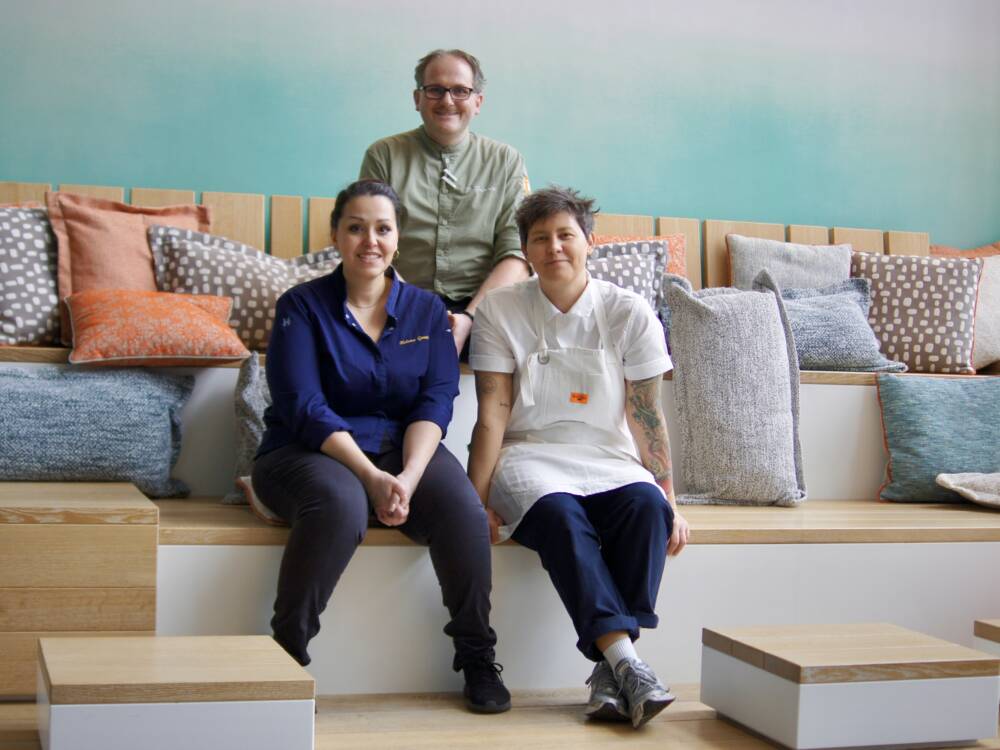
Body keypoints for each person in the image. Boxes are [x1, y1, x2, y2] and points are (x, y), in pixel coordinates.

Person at [251, 178, 510, 714]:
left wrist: (409, 477)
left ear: (397, 239)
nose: (370, 240)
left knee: (463, 509)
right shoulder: (301, 306)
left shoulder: (427, 310)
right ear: (335, 235)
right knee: (340, 504)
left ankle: (478, 659)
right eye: (356, 227)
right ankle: (285, 662)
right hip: (306, 450)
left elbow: (436, 400)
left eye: (383, 229)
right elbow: (303, 405)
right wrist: (371, 479)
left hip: (400, 447)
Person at [467, 187, 690, 729]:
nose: (554, 248)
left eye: (565, 235)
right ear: (525, 250)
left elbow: (645, 414)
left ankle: (613, 672)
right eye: (539, 238)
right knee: (562, 516)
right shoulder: (500, 309)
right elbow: (493, 413)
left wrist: (670, 498)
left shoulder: (627, 311)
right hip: (528, 458)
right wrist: (476, 503)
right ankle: (629, 664)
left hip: (608, 456)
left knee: (647, 510)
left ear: (590, 241)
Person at [359, 48, 530, 356]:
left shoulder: (505, 161)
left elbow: (517, 254)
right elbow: (369, 243)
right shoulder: (384, 156)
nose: (447, 100)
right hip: (399, 302)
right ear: (417, 99)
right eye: (435, 90)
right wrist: (413, 310)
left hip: (485, 307)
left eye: (460, 91)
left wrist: (470, 318)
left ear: (478, 102)